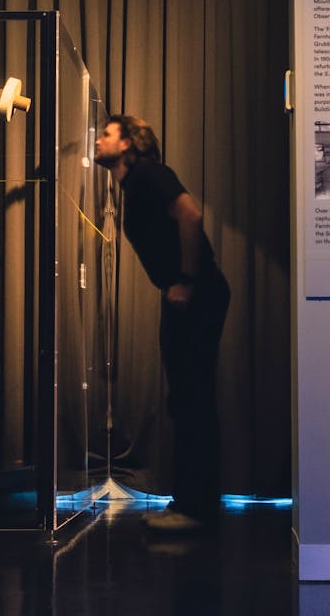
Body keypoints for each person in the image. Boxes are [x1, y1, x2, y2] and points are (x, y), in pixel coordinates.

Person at [95, 115, 230, 532]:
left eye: (106, 134)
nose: (97, 140)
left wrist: (186, 282)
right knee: (186, 397)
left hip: (197, 291)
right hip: (185, 292)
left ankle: (196, 510)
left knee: (192, 397)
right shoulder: (133, 183)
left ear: (128, 143)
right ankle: (191, 503)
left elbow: (190, 214)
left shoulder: (149, 174)